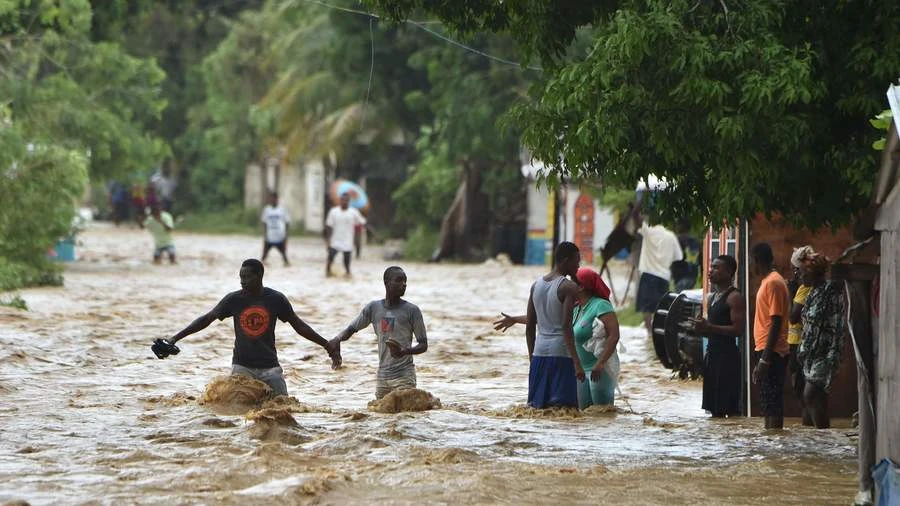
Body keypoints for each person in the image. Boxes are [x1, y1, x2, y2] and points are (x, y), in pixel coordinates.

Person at [158, 259, 339, 396]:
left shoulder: (276, 299)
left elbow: (299, 326)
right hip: (242, 367)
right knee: (237, 409)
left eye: (247, 277)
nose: (242, 282)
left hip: (270, 368)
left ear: (259, 276)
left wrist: (326, 344)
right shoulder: (234, 299)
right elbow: (207, 319)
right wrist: (175, 338)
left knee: (283, 410)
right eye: (241, 278)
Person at [493, 266, 618, 409]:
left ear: (582, 287)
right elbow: (545, 319)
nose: (569, 284)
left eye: (573, 281)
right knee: (584, 416)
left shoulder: (601, 305)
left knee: (603, 413)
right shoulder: (575, 307)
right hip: (580, 370)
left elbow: (614, 336)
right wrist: (515, 319)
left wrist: (600, 363)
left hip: (600, 369)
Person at [329, 266, 428, 399]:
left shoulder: (412, 311)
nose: (403, 284)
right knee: (381, 416)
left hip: (404, 376)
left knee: (405, 416)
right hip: (382, 377)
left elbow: (423, 345)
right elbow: (350, 329)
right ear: (386, 282)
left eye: (405, 281)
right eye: (399, 280)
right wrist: (337, 340)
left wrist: (404, 351)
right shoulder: (374, 308)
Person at [525, 242, 583, 408]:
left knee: (537, 409)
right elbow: (566, 327)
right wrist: (577, 363)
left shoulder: (536, 285)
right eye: (576, 261)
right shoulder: (568, 287)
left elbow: (530, 326)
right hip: (562, 355)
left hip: (539, 353)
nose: (578, 266)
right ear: (565, 261)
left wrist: (532, 358)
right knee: (565, 411)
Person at [796, 248, 845, 429]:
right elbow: (807, 325)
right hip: (810, 353)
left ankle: (822, 435)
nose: (799, 276)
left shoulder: (830, 293)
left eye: (801, 272)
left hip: (825, 353)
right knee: (817, 399)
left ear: (811, 273)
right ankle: (819, 442)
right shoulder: (811, 293)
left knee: (810, 394)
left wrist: (834, 353)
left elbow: (838, 325)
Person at [691, 255, 745, 417]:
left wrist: (710, 327)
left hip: (727, 358)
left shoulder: (734, 297)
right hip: (712, 356)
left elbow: (738, 330)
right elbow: (710, 329)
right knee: (714, 411)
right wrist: (700, 328)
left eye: (716, 268)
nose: (710, 271)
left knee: (730, 409)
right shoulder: (712, 297)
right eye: (711, 267)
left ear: (729, 272)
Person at [750, 242, 790, 429]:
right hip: (766, 350)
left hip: (772, 352)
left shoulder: (773, 282)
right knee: (767, 403)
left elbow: (776, 321)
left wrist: (764, 360)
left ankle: (776, 444)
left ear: (756, 261)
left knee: (772, 404)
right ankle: (772, 447)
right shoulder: (769, 281)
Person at [635, 212, 683, 337]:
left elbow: (636, 216)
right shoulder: (671, 236)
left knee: (646, 307)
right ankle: (658, 331)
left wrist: (639, 202)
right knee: (660, 305)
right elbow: (679, 257)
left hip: (648, 274)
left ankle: (649, 331)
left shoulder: (648, 232)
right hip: (664, 276)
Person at [788, 245, 814, 425]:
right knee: (802, 389)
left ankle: (808, 425)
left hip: (800, 344)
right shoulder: (803, 287)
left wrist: (790, 292)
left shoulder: (804, 288)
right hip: (799, 343)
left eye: (795, 270)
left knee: (802, 389)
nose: (794, 273)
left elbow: (793, 317)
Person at [325, 193, 366, 277]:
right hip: (335, 241)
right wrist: (328, 241)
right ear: (340, 200)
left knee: (347, 262)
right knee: (330, 258)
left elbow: (361, 222)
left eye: (346, 200)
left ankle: (348, 273)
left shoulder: (354, 212)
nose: (344, 202)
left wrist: (357, 238)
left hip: (348, 241)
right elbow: (329, 227)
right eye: (342, 200)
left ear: (349, 201)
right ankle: (328, 272)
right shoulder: (334, 212)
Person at [260, 192, 291, 266]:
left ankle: (286, 263)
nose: (272, 200)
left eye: (274, 198)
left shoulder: (282, 210)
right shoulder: (267, 210)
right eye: (271, 199)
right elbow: (264, 223)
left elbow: (287, 222)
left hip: (280, 236)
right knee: (264, 254)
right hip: (270, 236)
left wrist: (285, 235)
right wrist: (265, 235)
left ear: (277, 199)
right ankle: (262, 263)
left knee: (284, 254)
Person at [671, 220, 701, 291]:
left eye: (677, 225)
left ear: (681, 226)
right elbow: (700, 258)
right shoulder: (695, 241)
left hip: (680, 274)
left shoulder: (677, 239)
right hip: (693, 275)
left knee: (679, 298)